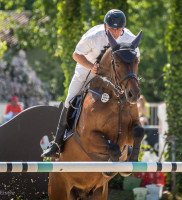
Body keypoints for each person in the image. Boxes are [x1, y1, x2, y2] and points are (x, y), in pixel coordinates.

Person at [42, 9, 140, 157]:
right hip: (87, 69)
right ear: (105, 26)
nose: (114, 32)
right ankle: (57, 142)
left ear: (123, 29)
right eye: (111, 28)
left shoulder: (129, 38)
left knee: (127, 98)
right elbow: (76, 55)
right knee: (70, 99)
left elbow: (134, 60)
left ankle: (127, 141)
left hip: (113, 75)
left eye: (118, 29)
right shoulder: (94, 37)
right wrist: (91, 67)